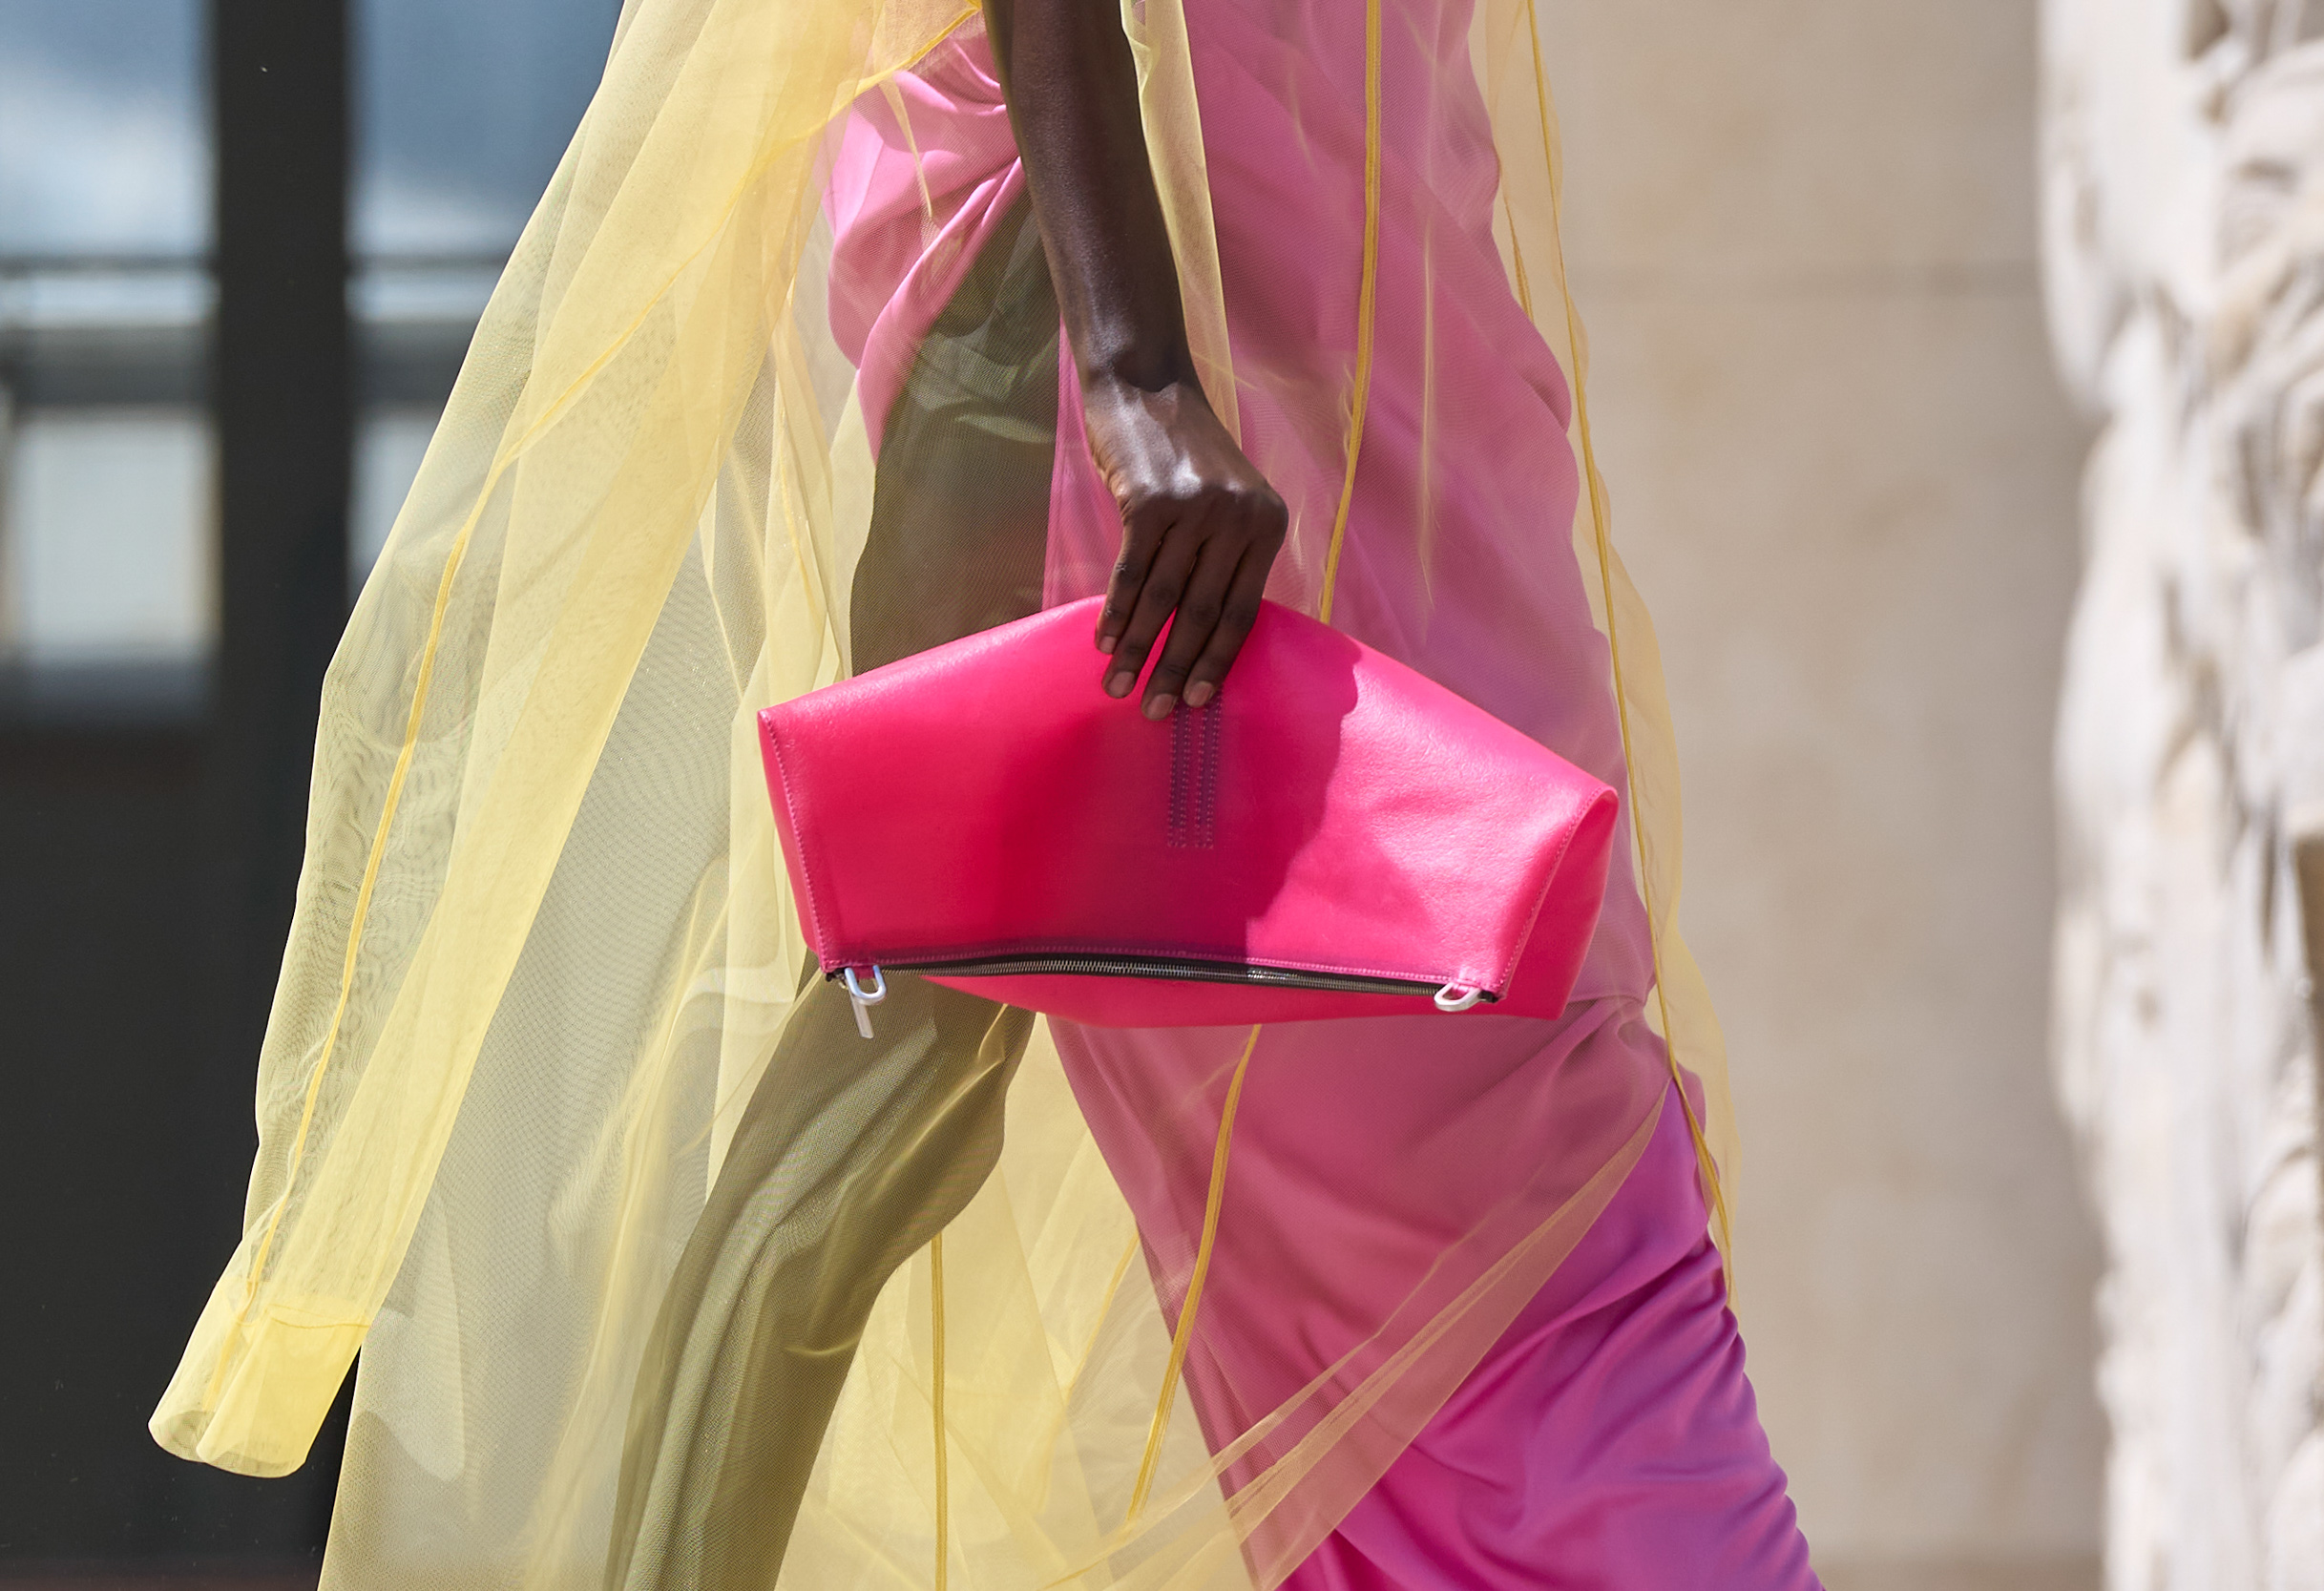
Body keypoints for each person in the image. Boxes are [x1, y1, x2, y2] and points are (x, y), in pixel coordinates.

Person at [153, 0, 1820, 1585]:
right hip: (1089, 296)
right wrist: (1134, 372)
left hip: (1385, 271)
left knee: (1529, 1009)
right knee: (901, 1068)